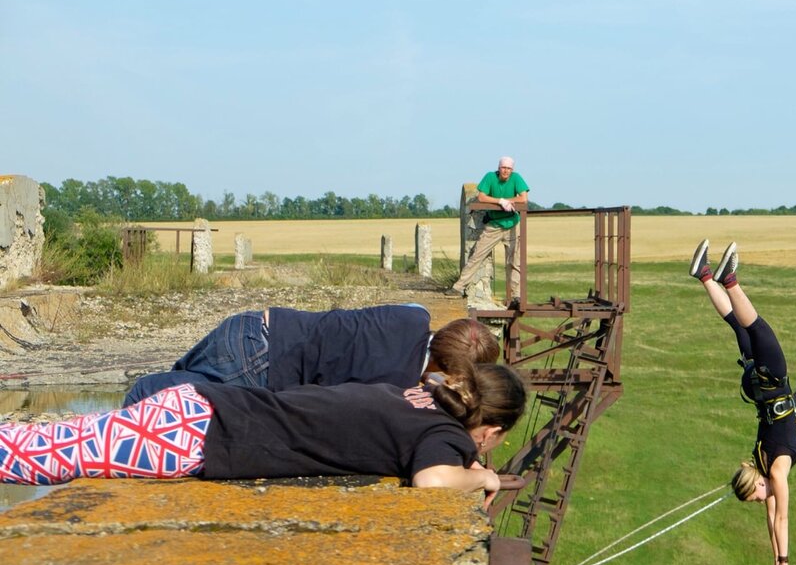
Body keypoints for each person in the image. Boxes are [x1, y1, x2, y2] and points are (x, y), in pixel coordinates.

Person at [2, 363, 526, 507]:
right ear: (492, 430)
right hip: (195, 438)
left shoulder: (410, 394)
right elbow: (432, 481)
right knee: (32, 458)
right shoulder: (444, 435)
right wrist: (486, 480)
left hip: (197, 406)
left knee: (47, 440)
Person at [690, 239, 796, 565]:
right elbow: (775, 522)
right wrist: (777, 558)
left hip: (771, 379)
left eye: (757, 497)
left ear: (757, 482)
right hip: (760, 382)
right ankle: (705, 275)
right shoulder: (767, 465)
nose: (762, 502)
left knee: (756, 327)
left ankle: (729, 280)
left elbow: (782, 519)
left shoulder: (776, 471)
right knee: (740, 326)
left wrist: (785, 559)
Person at [123, 306, 499, 406]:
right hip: (264, 366)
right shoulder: (397, 383)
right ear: (448, 373)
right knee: (158, 400)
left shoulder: (413, 317)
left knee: (176, 380)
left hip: (252, 326)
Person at [445, 156, 529, 302]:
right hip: (494, 225)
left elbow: (523, 198)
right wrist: (500, 201)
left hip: (512, 224)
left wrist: (509, 201)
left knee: (515, 262)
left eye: (509, 168)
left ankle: (516, 296)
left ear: (512, 170)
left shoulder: (516, 178)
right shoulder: (490, 177)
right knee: (477, 255)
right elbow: (482, 197)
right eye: (503, 168)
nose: (506, 171)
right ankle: (458, 287)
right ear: (499, 167)